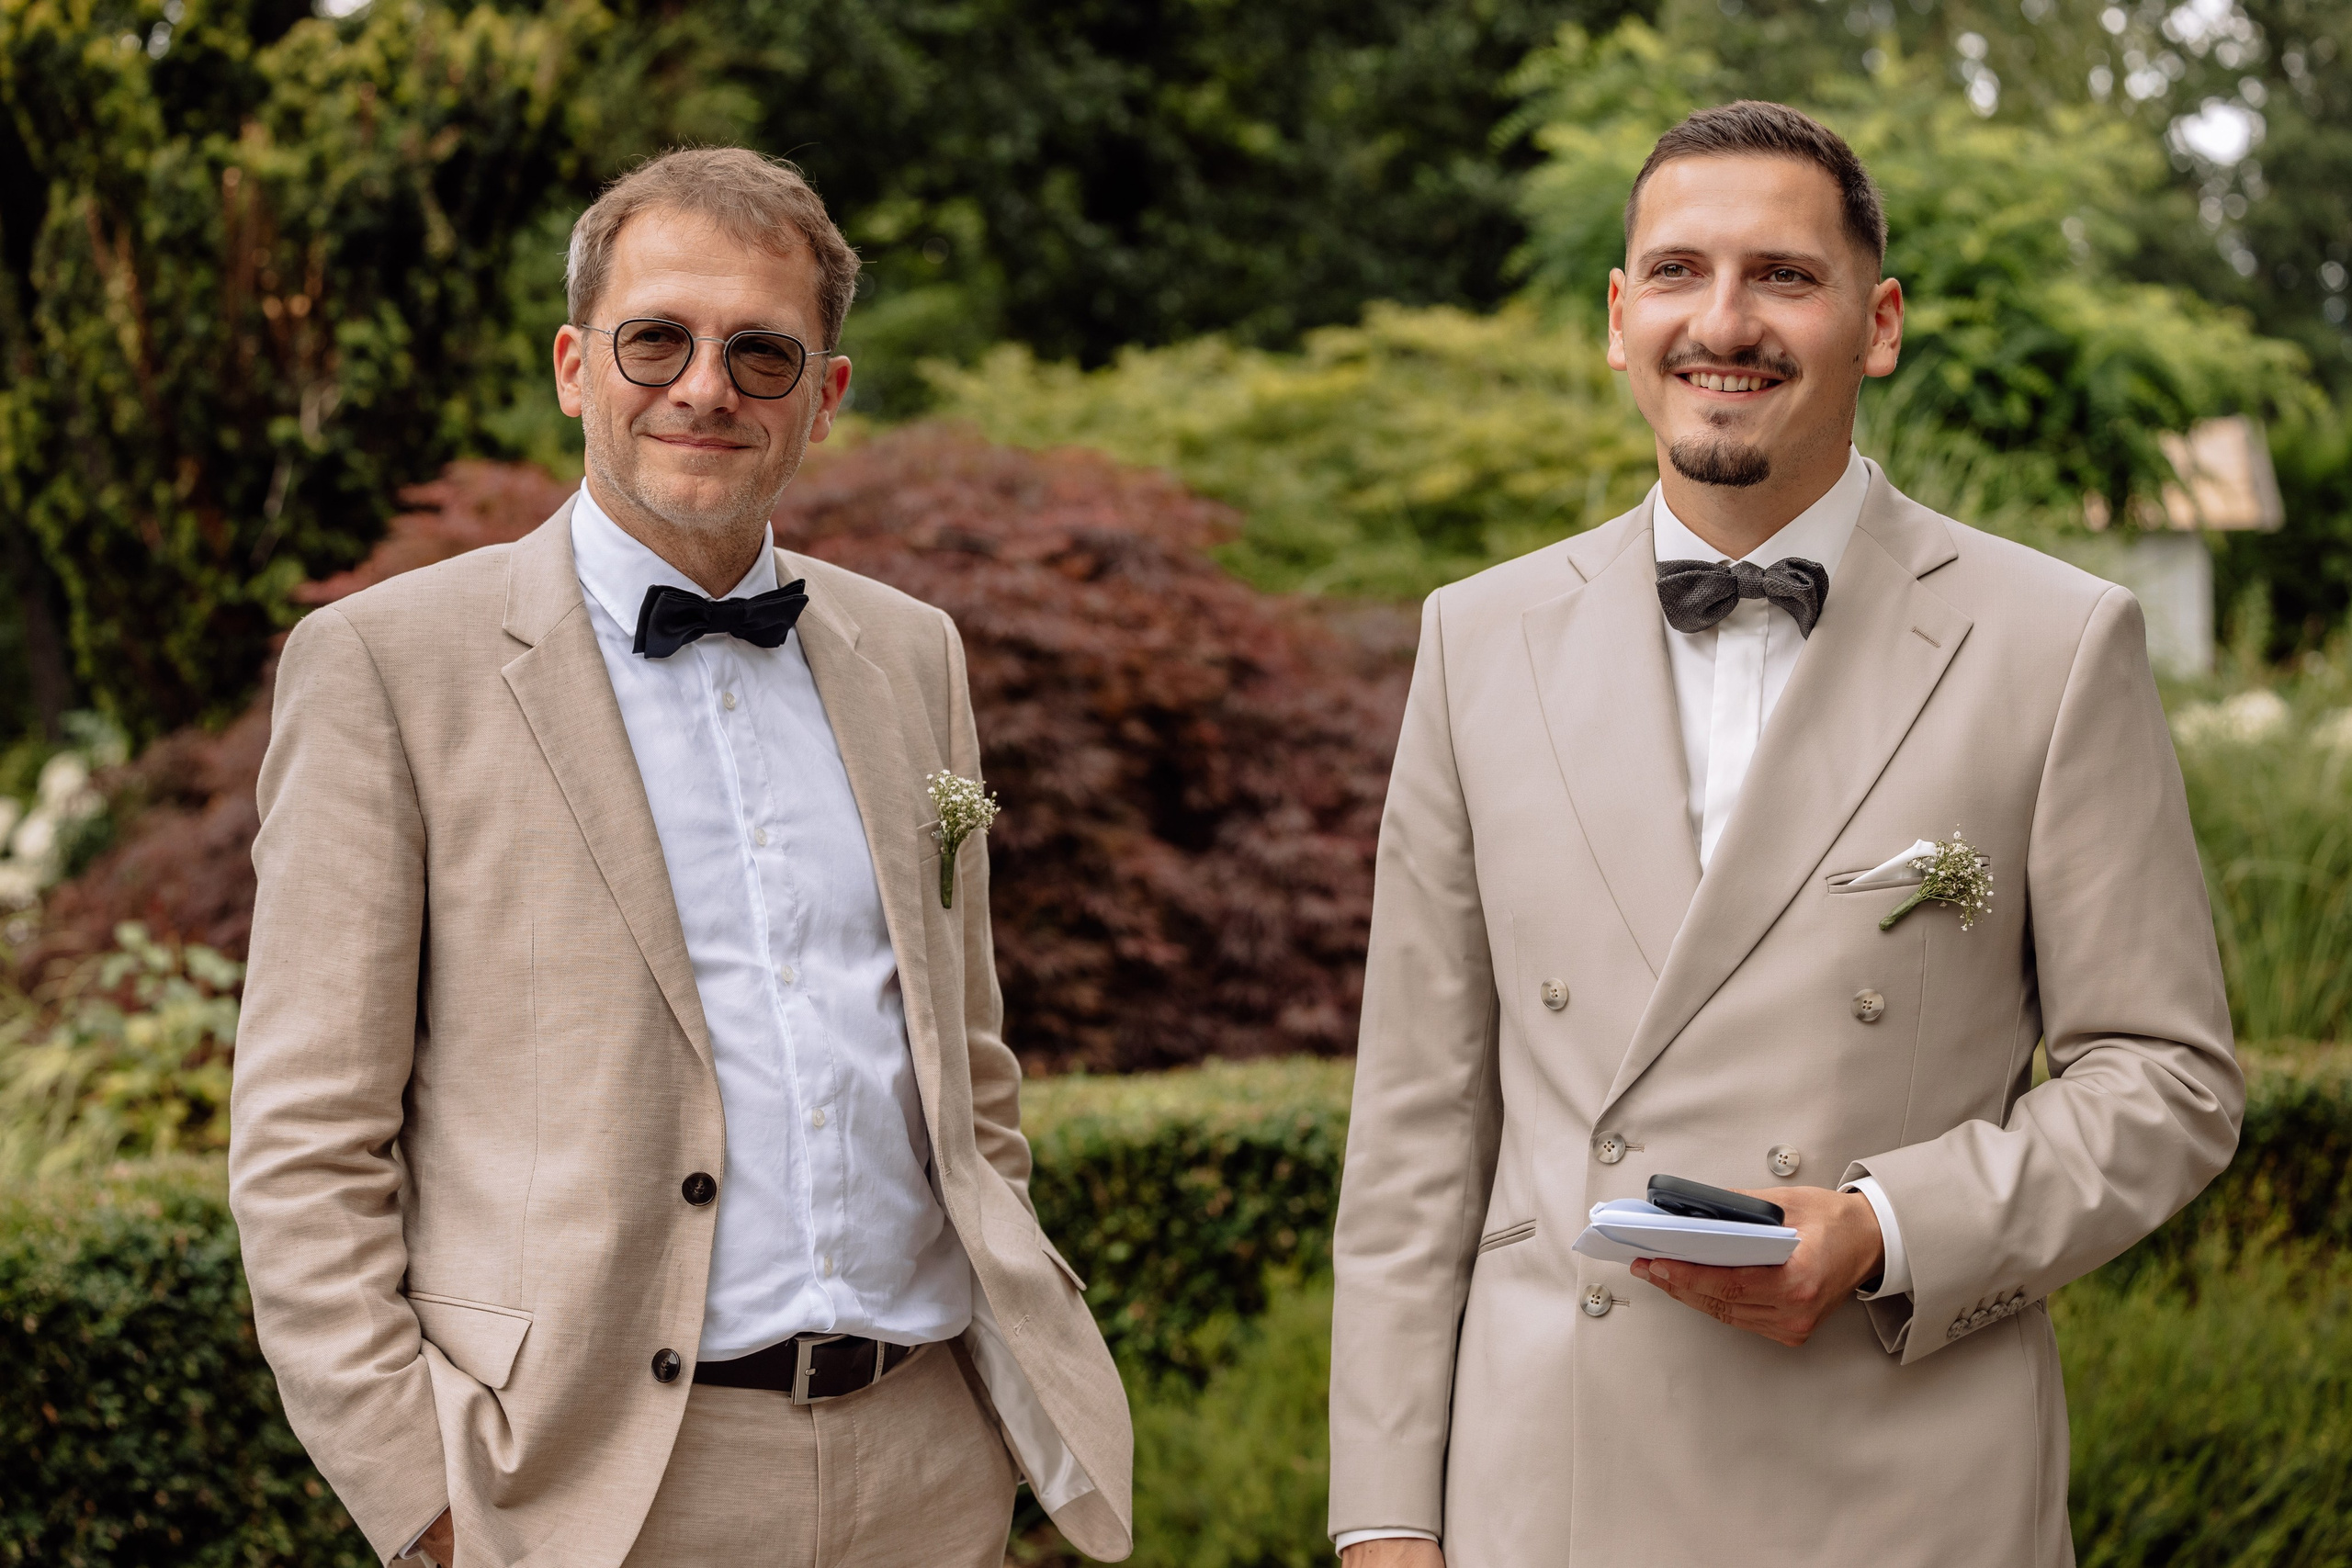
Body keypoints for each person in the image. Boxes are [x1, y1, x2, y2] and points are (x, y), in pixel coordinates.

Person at [1326, 101, 2243, 1566]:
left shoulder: (2055, 640)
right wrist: (1381, 1522)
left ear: (1877, 323)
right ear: (1621, 318)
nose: (1725, 322)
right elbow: (1416, 1128)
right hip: (1552, 1484)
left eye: (1785, 277)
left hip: (1906, 1488)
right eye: (1679, 273)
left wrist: (1889, 1223)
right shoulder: (1478, 638)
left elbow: (2170, 1080)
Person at [228, 147, 1132, 1568]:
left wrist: (981, 1422)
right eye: (659, 339)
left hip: (929, 1464)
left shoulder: (913, 653)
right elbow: (305, 1145)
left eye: (762, 354)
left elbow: (966, 1062)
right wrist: (428, 1503)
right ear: (576, 365)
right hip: (595, 1495)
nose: (706, 387)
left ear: (822, 398)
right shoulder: (388, 666)